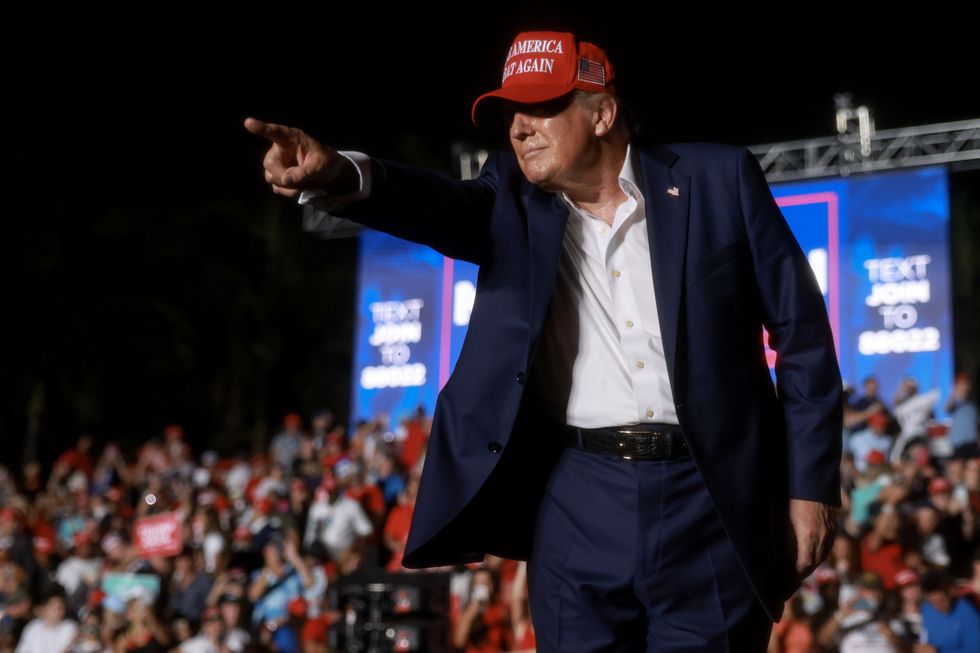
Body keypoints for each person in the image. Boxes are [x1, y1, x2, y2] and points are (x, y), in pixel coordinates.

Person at [245, 29, 843, 651]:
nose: (519, 127)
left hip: (710, 498)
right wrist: (340, 172)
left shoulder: (719, 178)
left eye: (541, 107)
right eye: (511, 112)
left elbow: (802, 336)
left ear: (603, 113)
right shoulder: (513, 195)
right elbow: (435, 204)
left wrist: (810, 487)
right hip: (577, 495)